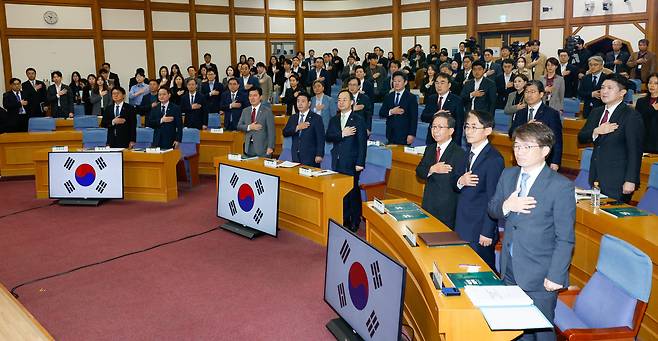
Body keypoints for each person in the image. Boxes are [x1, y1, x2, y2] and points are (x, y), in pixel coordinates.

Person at [488, 122, 575, 341]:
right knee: (514, 331)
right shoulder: (508, 175)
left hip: (541, 276)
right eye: (517, 146)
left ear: (545, 151)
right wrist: (507, 206)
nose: (519, 152)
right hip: (509, 268)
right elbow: (492, 208)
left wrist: (556, 275)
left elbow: (565, 238)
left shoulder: (560, 186)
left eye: (527, 147)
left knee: (542, 333)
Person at [578, 74, 644, 202]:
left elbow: (635, 151)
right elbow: (581, 137)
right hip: (596, 175)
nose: (604, 91)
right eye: (602, 88)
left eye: (610, 88)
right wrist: (596, 131)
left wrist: (630, 180)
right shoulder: (596, 112)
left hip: (618, 179)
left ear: (622, 92)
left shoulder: (631, 115)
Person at [454, 110, 504, 271]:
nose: (468, 131)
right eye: (467, 126)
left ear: (487, 131)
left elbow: (494, 199)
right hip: (463, 222)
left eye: (474, 127)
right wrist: (460, 182)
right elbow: (455, 183)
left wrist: (487, 232)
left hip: (480, 228)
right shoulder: (466, 153)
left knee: (483, 270)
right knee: (464, 267)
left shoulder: (494, 159)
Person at [325, 90, 367, 231]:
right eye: (339, 100)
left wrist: (360, 162)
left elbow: (362, 143)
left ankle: (355, 220)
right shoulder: (334, 119)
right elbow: (329, 136)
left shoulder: (358, 120)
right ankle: (344, 218)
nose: (341, 102)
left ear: (351, 102)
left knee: (353, 191)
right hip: (337, 160)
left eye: (344, 100)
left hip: (352, 161)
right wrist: (341, 134)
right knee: (341, 191)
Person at [415, 112, 465, 229]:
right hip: (428, 204)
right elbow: (419, 171)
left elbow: (457, 183)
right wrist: (432, 169)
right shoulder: (430, 148)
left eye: (440, 127)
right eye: (433, 127)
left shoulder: (459, 153)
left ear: (451, 131)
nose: (435, 130)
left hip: (447, 208)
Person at [509, 80, 563, 170]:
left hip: (544, 159)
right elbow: (511, 133)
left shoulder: (551, 113)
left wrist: (555, 161)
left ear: (541, 94)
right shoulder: (520, 112)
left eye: (533, 92)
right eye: (526, 92)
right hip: (523, 157)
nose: (529, 95)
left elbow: (557, 139)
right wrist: (526, 127)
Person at [282, 93, 325, 167]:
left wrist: (319, 154)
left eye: (303, 101)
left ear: (309, 103)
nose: (300, 104)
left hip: (311, 156)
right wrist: (297, 128)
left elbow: (320, 138)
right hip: (295, 155)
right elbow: (285, 132)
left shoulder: (316, 118)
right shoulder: (293, 117)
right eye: (298, 101)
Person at [420, 72, 464, 145]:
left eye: (442, 83)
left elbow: (459, 124)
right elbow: (423, 117)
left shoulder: (457, 100)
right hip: (432, 139)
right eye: (437, 83)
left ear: (449, 85)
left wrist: (456, 144)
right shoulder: (431, 98)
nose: (439, 85)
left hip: (450, 140)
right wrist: (435, 114)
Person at [379, 71, 419, 145]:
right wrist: (391, 112)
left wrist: (412, 134)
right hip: (390, 133)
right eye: (394, 81)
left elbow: (414, 118)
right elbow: (381, 113)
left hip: (405, 134)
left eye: (399, 81)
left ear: (405, 82)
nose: (396, 83)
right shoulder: (388, 96)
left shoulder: (411, 97)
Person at [238, 87, 275, 157]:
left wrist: (270, 147)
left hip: (263, 148)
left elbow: (271, 131)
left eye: (255, 95)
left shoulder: (267, 111)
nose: (252, 98)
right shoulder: (245, 111)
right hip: (248, 147)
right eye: (250, 95)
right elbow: (239, 126)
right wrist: (249, 127)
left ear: (260, 97)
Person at [637, 73, 658, 153]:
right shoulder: (641, 101)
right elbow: (638, 120)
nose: (652, 85)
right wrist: (652, 109)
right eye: (650, 82)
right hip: (645, 140)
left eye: (656, 83)